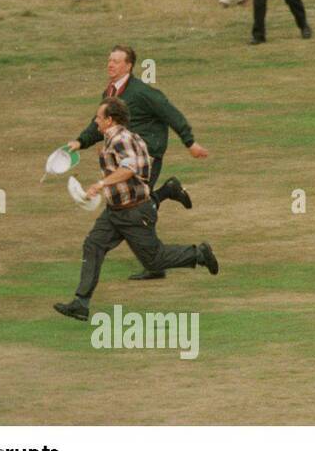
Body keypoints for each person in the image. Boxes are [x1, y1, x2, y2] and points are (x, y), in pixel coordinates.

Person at [54, 96, 219, 322]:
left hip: (134, 212)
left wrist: (102, 184)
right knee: (93, 244)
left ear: (110, 120)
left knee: (154, 261)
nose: (96, 121)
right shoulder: (116, 139)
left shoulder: (121, 139)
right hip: (115, 211)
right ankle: (81, 303)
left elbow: (129, 169)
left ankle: (198, 254)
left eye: (99, 117)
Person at [66, 44, 208, 280]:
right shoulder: (110, 93)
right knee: (138, 204)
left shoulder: (141, 92)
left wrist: (190, 142)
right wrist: (80, 142)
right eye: (109, 60)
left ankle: (159, 261)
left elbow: (169, 111)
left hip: (146, 157)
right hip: (127, 158)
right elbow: (98, 124)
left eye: (116, 61)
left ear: (128, 66)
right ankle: (167, 195)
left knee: (135, 205)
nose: (110, 64)